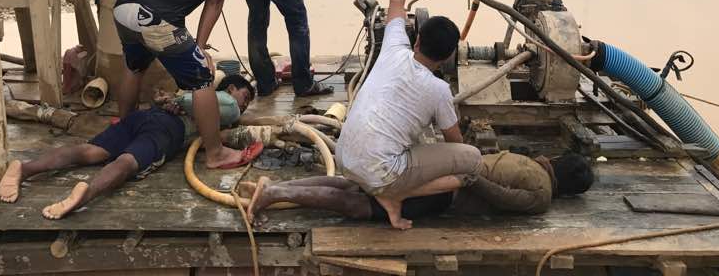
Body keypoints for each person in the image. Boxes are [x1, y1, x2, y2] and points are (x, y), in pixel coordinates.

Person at [334, 0, 482, 230]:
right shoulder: (439, 90)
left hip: (343, 157)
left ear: (416, 40)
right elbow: (455, 143)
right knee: (473, 162)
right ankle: (397, 193)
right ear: (448, 57)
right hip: (380, 173)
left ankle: (390, 187)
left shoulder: (392, 46)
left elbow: (396, 0)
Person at [112, 0, 258, 170]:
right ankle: (216, 153)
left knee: (135, 66)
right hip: (157, 17)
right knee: (202, 77)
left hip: (125, 6)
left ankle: (125, 128)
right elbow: (214, 2)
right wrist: (200, 48)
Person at [0, 75, 255, 219]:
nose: (242, 107)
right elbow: (225, 111)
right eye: (244, 98)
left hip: (141, 117)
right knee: (128, 162)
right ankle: (87, 194)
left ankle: (25, 169)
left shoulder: (197, 98)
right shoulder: (224, 103)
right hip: (167, 130)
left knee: (89, 151)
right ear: (231, 88)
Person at [242, 151, 594, 224]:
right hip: (448, 190)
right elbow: (503, 199)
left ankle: (277, 186)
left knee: (356, 184)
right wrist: (471, 180)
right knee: (363, 206)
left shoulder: (531, 159)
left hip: (441, 162)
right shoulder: (543, 196)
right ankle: (274, 194)